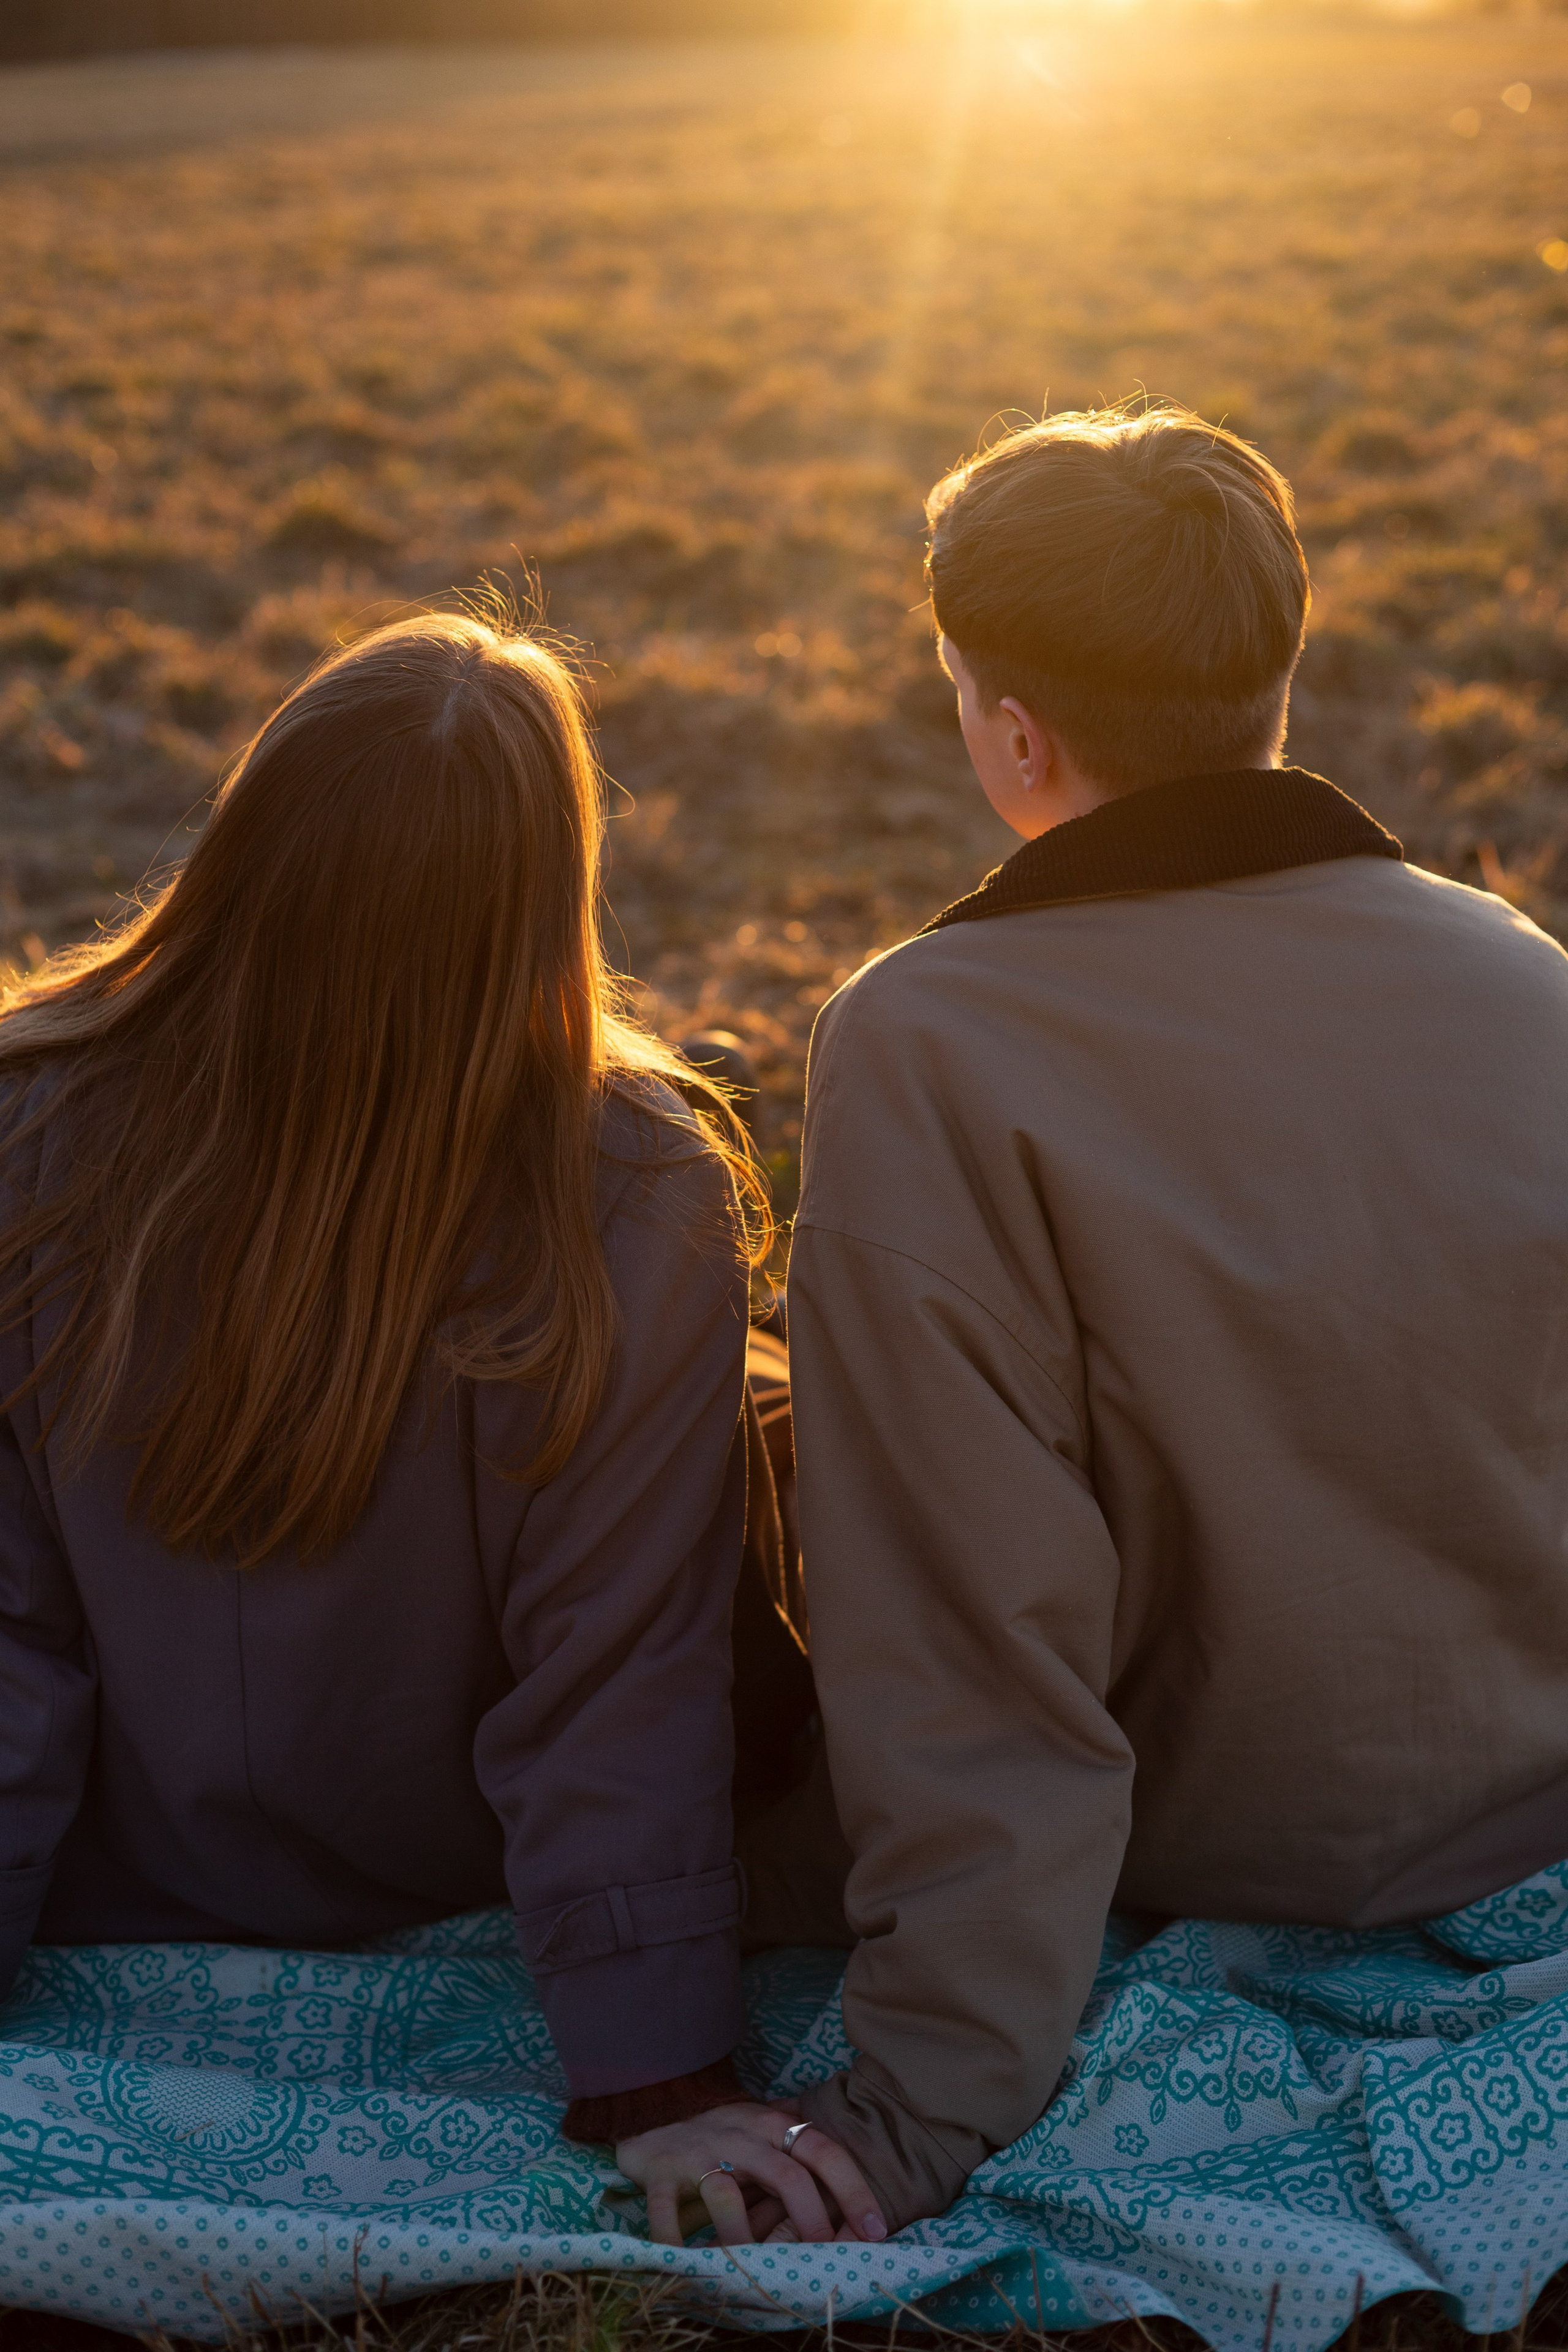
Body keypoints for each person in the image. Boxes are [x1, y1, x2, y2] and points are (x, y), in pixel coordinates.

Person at [778, 402, 1568, 2233]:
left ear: (1016, 730)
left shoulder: (928, 1039)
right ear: (1270, 673)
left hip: (1214, 1844)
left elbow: (965, 1610)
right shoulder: (1523, 974)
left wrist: (928, 2095)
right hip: (1529, 1804)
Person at [0, 612, 882, 2250]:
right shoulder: (641, 1190)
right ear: (551, 897)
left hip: (124, 1889)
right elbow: (618, 1666)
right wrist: (655, 2074)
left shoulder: (24, 1114)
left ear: (243, 848)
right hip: (455, 1891)